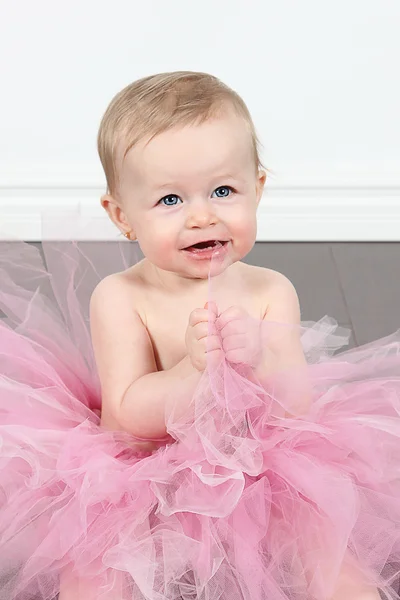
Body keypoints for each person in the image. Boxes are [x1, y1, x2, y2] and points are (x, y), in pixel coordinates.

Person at [0, 71, 399, 600]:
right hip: (140, 468)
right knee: (96, 565)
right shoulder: (120, 297)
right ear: (122, 216)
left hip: (260, 461)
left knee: (327, 548)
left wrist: (259, 361)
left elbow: (296, 408)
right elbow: (125, 422)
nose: (203, 215)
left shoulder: (269, 290)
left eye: (224, 190)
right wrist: (191, 373)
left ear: (257, 190)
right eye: (170, 200)